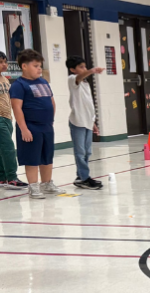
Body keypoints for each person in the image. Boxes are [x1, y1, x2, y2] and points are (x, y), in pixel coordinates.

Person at [10, 49, 62, 199]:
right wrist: (24, 129)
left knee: (47, 156)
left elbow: (51, 101)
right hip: (30, 127)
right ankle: (33, 187)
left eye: (40, 66)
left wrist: (50, 120)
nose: (39, 69)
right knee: (32, 158)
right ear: (24, 66)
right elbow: (17, 108)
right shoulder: (19, 85)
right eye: (36, 66)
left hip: (46, 126)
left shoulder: (43, 82)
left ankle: (47, 183)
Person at [66, 56, 105, 190]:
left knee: (88, 152)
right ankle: (84, 177)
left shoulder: (86, 84)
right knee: (80, 152)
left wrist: (93, 122)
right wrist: (93, 70)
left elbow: (88, 106)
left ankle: (80, 177)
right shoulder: (72, 80)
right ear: (72, 69)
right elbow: (79, 77)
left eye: (85, 66)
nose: (85, 69)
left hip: (88, 122)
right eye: (81, 67)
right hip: (77, 122)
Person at [0, 51, 27, 190]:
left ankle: (2, 177)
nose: (4, 65)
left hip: (7, 117)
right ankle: (12, 177)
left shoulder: (4, 79)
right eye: (0, 62)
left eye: (5, 62)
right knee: (8, 148)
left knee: (2, 149)